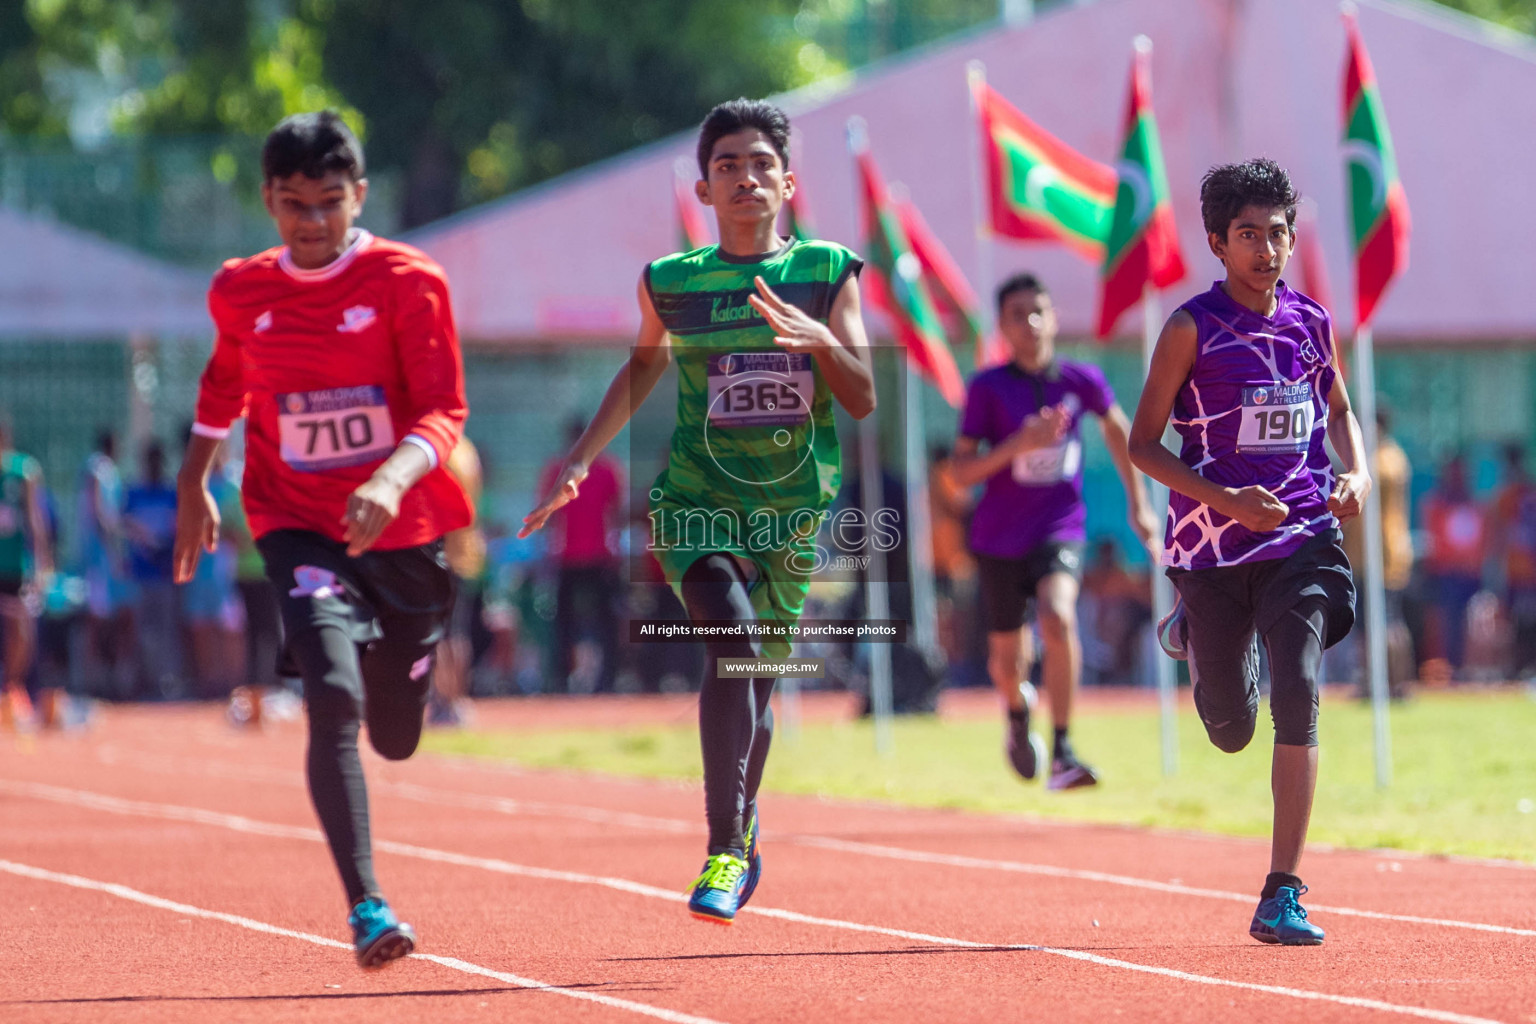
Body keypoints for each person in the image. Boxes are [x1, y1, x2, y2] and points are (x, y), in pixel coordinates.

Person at [521, 98, 874, 925]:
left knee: (754, 674)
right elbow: (641, 371)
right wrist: (580, 460)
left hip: (789, 513)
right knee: (735, 646)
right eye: (727, 167)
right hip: (696, 505)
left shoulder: (828, 271)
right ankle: (723, 848)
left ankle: (744, 833)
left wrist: (820, 343)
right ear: (705, 188)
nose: (745, 178)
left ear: (787, 181)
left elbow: (860, 399)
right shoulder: (671, 282)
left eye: (759, 164)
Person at [173, 111, 472, 968]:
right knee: (330, 696)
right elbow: (224, 380)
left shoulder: (408, 281)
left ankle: (407, 672)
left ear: (360, 196)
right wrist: (197, 479)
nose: (312, 223)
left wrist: (387, 477)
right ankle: (368, 908)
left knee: (394, 733)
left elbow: (443, 407)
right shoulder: (240, 290)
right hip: (296, 523)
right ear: (269, 200)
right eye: (294, 204)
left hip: (403, 527)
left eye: (330, 203)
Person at [1130, 159, 1369, 946]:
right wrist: (1227, 501)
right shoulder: (1189, 328)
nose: (1265, 249)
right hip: (1211, 549)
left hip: (1303, 535)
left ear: (1293, 236)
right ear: (1216, 243)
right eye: (1247, 235)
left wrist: (1356, 469)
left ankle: (1282, 891)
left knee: (1297, 688)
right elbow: (1142, 445)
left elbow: (1338, 413)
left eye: (1276, 233)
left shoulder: (1310, 323)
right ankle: (1195, 635)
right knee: (1231, 728)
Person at [949, 273, 1158, 790]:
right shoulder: (987, 389)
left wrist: (1140, 505)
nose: (1031, 323)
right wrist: (1017, 445)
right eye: (1018, 315)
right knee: (1006, 663)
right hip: (998, 539)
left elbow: (1118, 429)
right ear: (1002, 326)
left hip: (1059, 528)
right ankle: (1018, 715)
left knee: (1059, 616)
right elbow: (959, 473)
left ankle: (1063, 749)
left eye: (1038, 311)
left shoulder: (1080, 381)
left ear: (1054, 319)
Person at [539, 418, 624, 693]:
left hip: (597, 557)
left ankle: (605, 678)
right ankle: (565, 678)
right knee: (567, 623)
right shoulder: (557, 470)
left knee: (601, 623)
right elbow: (550, 517)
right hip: (570, 557)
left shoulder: (606, 469)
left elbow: (616, 513)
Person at [0, 413, 51, 731]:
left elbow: (34, 518)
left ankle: (11, 688)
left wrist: (43, 562)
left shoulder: (23, 470)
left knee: (22, 631)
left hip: (14, 567)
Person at [123, 440, 183, 698]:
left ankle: (166, 682)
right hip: (140, 574)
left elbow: (178, 529)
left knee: (167, 630)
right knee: (141, 631)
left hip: (165, 574)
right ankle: (142, 681)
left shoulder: (171, 494)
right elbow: (124, 525)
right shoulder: (134, 494)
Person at [76, 429, 133, 698]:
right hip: (100, 560)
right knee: (96, 621)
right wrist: (115, 544)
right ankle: (88, 681)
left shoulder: (111, 471)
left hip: (109, 559)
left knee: (117, 619)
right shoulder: (97, 468)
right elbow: (100, 514)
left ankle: (112, 678)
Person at [1420, 454, 1485, 678]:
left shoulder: (1474, 504)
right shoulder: (1436, 505)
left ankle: (1465, 669)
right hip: (1446, 575)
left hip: (1471, 576)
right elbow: (1437, 543)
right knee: (1446, 624)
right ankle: (1447, 669)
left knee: (1471, 624)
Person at [1492, 442, 1536, 678]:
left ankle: (1521, 667)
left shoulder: (1517, 494)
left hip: (1524, 569)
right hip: (1515, 569)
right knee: (1515, 621)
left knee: (1523, 622)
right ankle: (1517, 668)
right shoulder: (1511, 493)